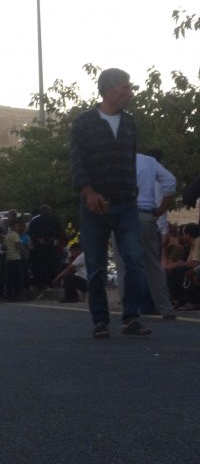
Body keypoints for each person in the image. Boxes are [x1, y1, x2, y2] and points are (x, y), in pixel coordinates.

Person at [70, 67, 153, 338]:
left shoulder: (129, 123)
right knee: (96, 266)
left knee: (135, 261)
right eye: (126, 87)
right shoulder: (84, 122)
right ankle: (100, 321)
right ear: (109, 90)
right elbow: (77, 162)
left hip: (126, 203)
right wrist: (89, 193)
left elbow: (130, 161)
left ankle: (131, 318)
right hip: (95, 205)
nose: (131, 92)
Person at [115, 152, 177, 319]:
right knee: (152, 264)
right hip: (145, 214)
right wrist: (162, 208)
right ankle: (165, 308)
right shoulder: (149, 161)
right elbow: (170, 181)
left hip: (121, 215)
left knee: (123, 265)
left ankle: (130, 310)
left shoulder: (115, 158)